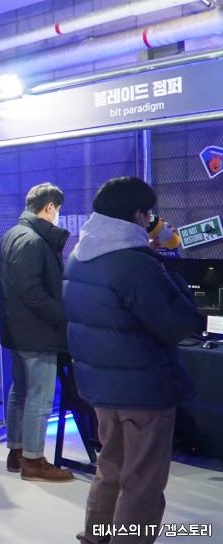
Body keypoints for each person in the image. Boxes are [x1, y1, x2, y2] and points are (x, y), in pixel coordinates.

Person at [64, 176, 201, 544]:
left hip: (101, 387)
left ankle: (97, 536)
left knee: (111, 467)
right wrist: (165, 270)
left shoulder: (79, 256)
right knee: (142, 480)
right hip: (144, 391)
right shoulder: (136, 264)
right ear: (138, 215)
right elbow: (177, 324)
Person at [0, 183, 74, 483]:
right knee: (39, 398)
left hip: (18, 331)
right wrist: (63, 316)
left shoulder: (13, 234)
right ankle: (33, 460)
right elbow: (31, 292)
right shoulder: (33, 240)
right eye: (58, 210)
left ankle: (17, 452)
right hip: (37, 332)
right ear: (50, 207)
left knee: (20, 392)